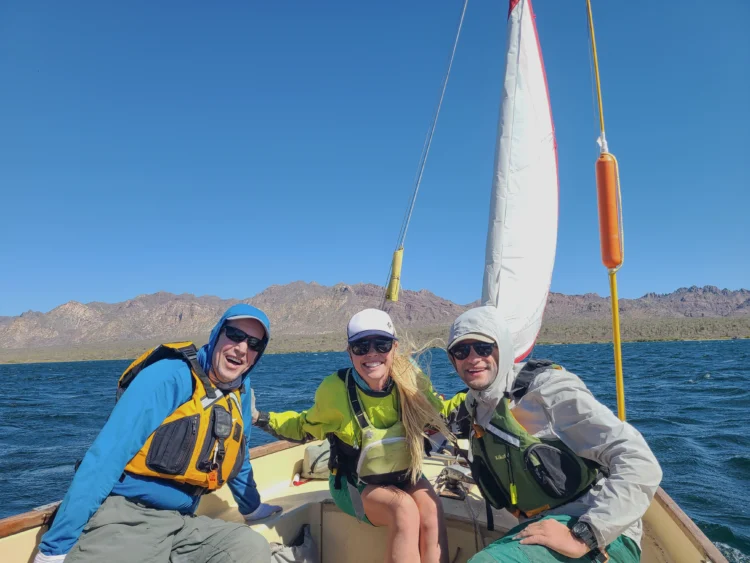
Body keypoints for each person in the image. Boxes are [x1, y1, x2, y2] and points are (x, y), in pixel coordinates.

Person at [34, 304, 281, 563]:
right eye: (235, 335)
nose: (242, 348)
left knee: (249, 546)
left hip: (181, 524)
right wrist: (53, 549)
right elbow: (105, 458)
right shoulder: (169, 376)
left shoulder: (240, 389)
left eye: (254, 344)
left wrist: (252, 508)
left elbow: (236, 457)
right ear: (217, 333)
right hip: (126, 517)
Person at [445, 305, 662, 563]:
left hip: (599, 530)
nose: (472, 358)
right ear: (452, 360)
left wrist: (585, 536)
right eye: (461, 350)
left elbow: (639, 460)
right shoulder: (473, 407)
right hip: (540, 528)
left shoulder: (548, 389)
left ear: (502, 347)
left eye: (482, 347)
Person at [253, 308, 461, 563]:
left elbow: (439, 413)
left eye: (381, 344)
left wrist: (479, 397)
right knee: (403, 509)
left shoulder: (411, 379)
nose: (372, 353)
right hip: (355, 483)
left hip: (403, 474)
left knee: (430, 507)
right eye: (361, 346)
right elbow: (304, 426)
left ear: (394, 347)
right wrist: (259, 418)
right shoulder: (334, 390)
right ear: (349, 352)